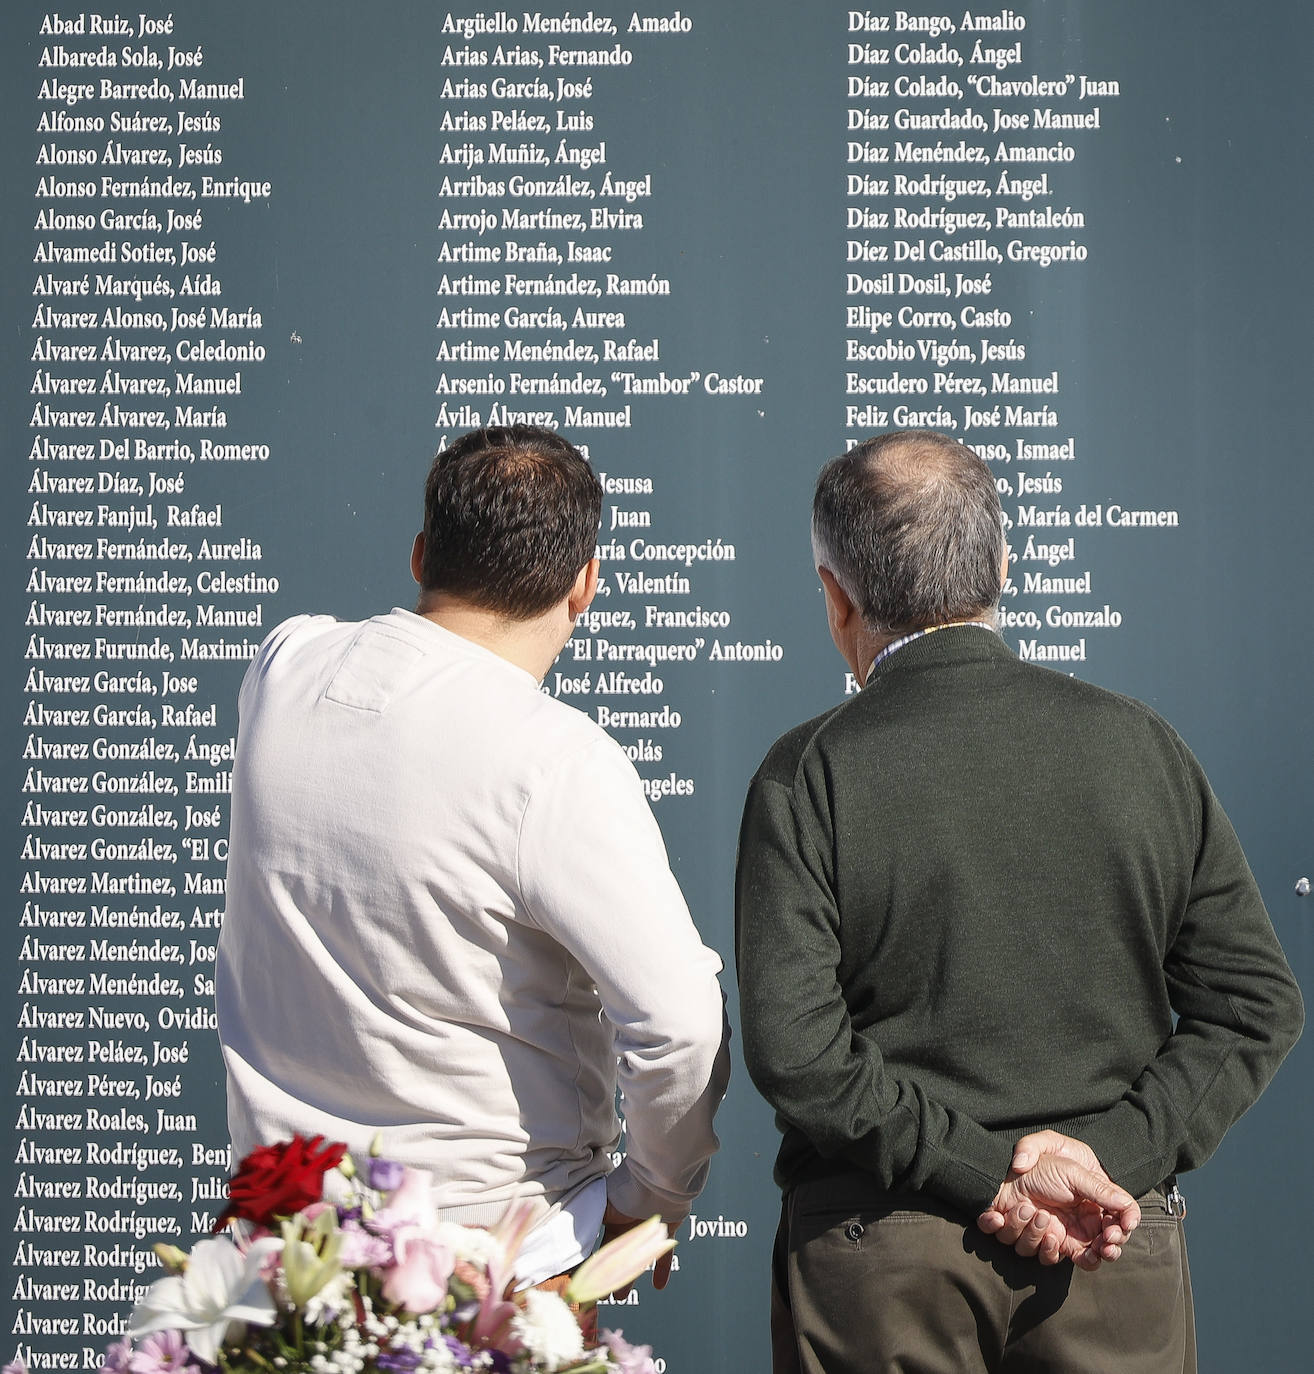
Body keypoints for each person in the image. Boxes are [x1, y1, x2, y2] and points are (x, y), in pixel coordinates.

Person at [735, 429, 1303, 1373]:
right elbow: (1254, 1005)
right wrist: (1104, 1157)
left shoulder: (808, 774)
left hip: (884, 1259)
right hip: (1109, 1247)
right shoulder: (1142, 749)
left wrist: (989, 1174)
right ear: (1004, 564)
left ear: (837, 598)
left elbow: (800, 1055)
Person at [217, 424, 730, 1291]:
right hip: (487, 1273)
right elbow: (680, 1024)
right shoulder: (556, 761)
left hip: (279, 1255)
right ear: (585, 587)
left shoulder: (283, 664)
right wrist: (652, 1198)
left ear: (420, 554)